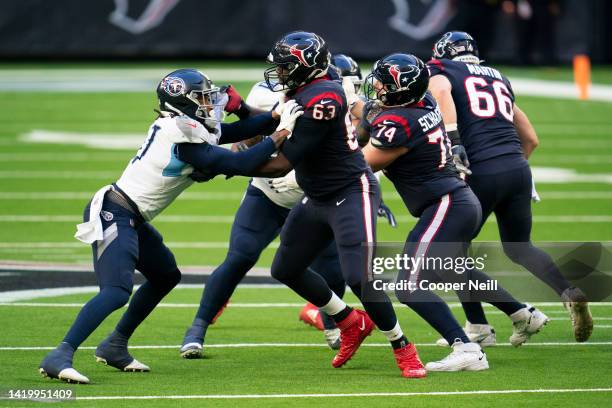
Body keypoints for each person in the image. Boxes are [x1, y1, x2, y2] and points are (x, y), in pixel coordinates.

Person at [38, 68, 303, 384]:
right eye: (202, 97)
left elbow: (236, 132)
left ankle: (115, 344)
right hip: (116, 212)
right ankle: (60, 354)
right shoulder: (182, 134)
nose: (209, 103)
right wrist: (281, 132)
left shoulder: (187, 126)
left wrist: (275, 115)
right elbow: (239, 162)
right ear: (184, 102)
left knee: (165, 276)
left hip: (132, 216)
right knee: (115, 291)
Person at [250, 31, 427, 378]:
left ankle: (403, 346)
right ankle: (349, 322)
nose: (280, 74)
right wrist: (232, 119)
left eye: (286, 67)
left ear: (305, 67)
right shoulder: (303, 90)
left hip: (349, 190)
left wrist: (221, 163)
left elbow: (283, 162)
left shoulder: (323, 96)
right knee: (285, 269)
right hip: (317, 194)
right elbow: (270, 121)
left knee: (359, 276)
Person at [427, 31, 592, 344]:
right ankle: (568, 291)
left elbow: (440, 91)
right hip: (517, 168)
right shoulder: (497, 78)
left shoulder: (445, 72)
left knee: (450, 252)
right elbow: (531, 138)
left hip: (480, 169)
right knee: (520, 247)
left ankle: (482, 324)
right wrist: (513, 171)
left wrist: (454, 139)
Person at [180, 80, 346, 356]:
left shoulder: (331, 99)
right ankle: (197, 328)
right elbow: (248, 142)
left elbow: (355, 152)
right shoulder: (267, 91)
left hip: (315, 198)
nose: (280, 73)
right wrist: (240, 133)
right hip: (268, 194)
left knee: (331, 265)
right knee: (240, 256)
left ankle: (333, 323)